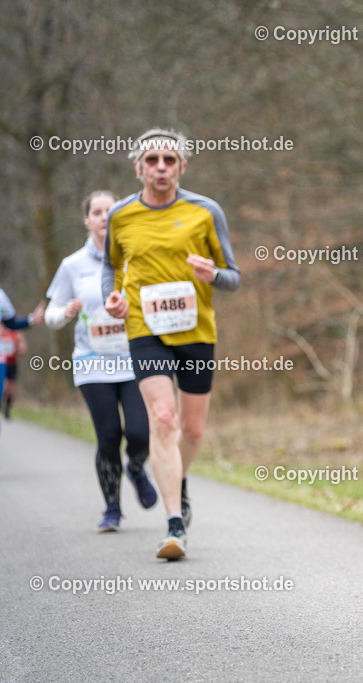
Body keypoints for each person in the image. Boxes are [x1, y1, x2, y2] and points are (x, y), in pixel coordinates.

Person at [103, 129, 241, 560]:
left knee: (193, 429)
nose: (160, 167)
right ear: (138, 167)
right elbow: (111, 270)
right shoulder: (121, 215)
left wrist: (212, 275)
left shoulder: (205, 211)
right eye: (152, 160)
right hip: (145, 329)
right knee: (163, 420)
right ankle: (174, 525)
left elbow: (232, 276)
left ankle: (176, 479)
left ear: (182, 166)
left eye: (168, 159)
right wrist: (113, 299)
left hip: (196, 331)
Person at [45, 190, 158, 531]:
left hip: (134, 357)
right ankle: (112, 508)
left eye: (110, 210)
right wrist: (64, 312)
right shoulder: (71, 265)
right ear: (87, 220)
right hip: (93, 364)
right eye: (97, 211)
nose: (104, 217)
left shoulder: (135, 256)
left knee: (140, 432)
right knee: (108, 436)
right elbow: (50, 314)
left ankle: (136, 468)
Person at [0, 290, 43, 439]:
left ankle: (7, 409)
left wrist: (32, 319)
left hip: (4, 362)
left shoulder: (1, 297)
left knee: (8, 388)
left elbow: (11, 323)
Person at [0, 329, 25, 418]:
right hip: (2, 363)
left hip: (12, 364)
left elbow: (23, 349)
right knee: (4, 385)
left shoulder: (15, 333)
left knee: (10, 388)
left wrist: (19, 343)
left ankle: (7, 409)